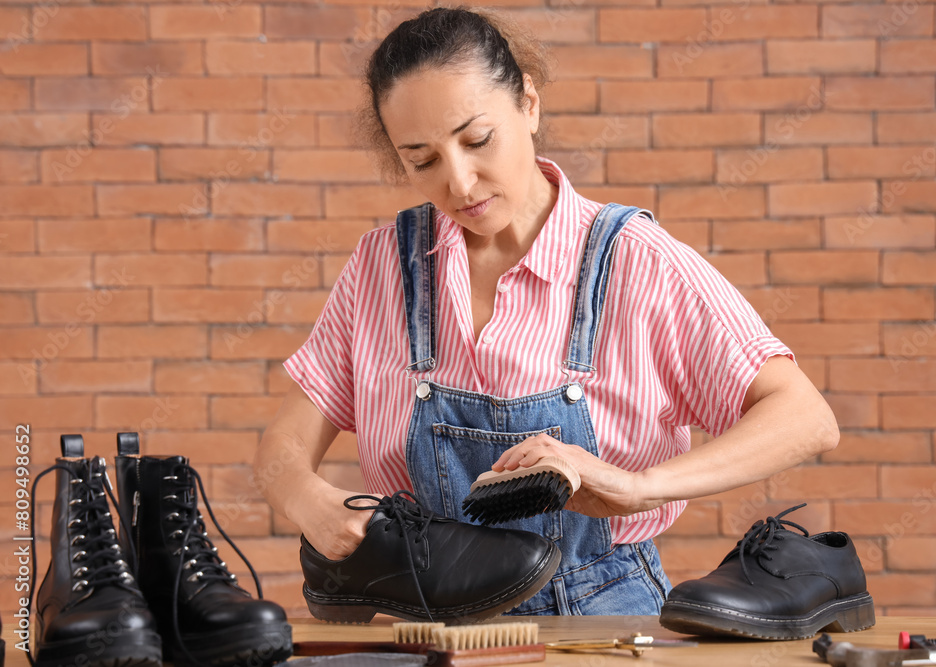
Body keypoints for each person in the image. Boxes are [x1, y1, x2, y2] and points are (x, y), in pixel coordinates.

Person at [255, 6, 840, 617]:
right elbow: (283, 446)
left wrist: (638, 487)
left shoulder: (634, 262)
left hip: (600, 616)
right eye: (422, 159)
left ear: (528, 104)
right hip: (425, 619)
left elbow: (805, 417)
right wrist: (309, 500)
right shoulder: (383, 268)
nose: (458, 182)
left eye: (477, 140)